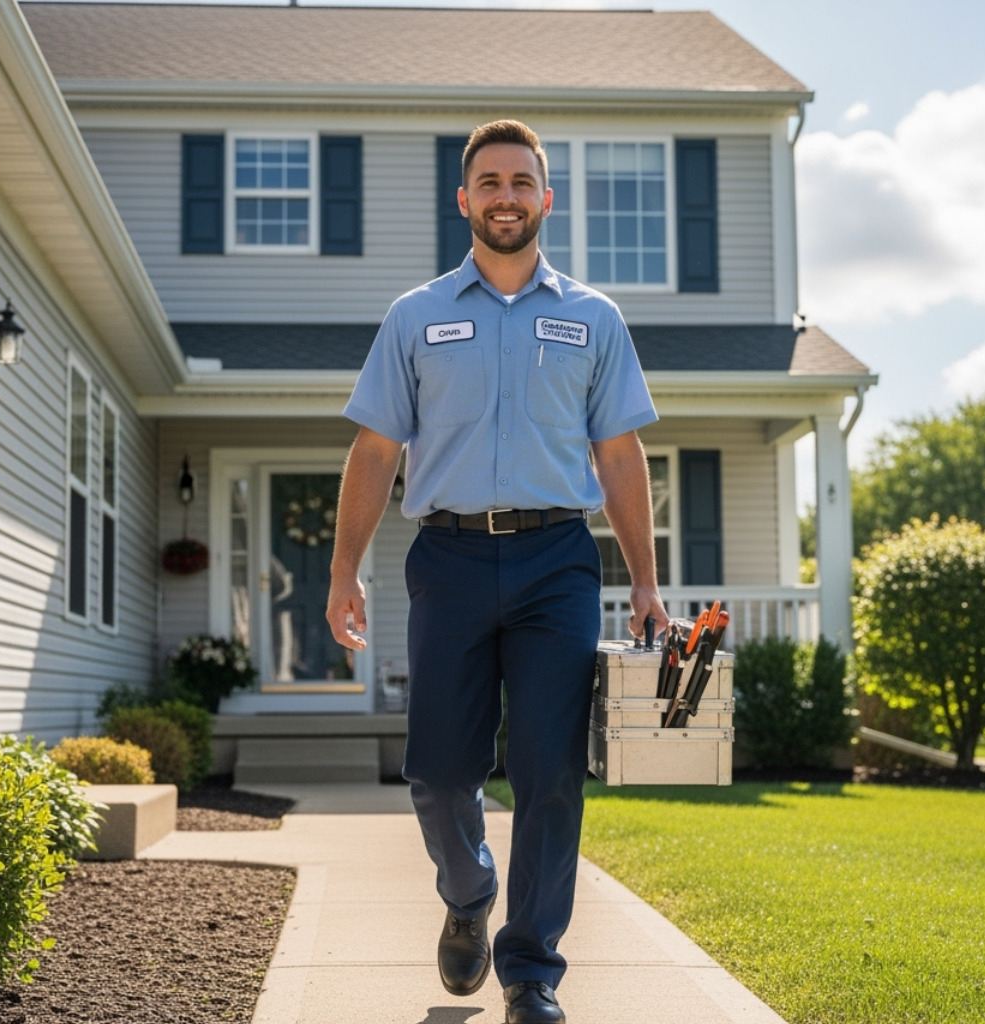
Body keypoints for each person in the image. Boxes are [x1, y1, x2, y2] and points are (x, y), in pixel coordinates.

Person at [325, 119, 668, 1024]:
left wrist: (644, 578)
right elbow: (372, 451)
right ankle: (469, 893)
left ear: (546, 199)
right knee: (439, 771)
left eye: (522, 181)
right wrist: (342, 571)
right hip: (449, 557)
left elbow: (623, 456)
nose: (506, 196)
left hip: (559, 557)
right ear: (464, 198)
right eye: (490, 182)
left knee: (550, 769)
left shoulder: (594, 318)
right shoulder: (416, 316)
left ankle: (531, 972)